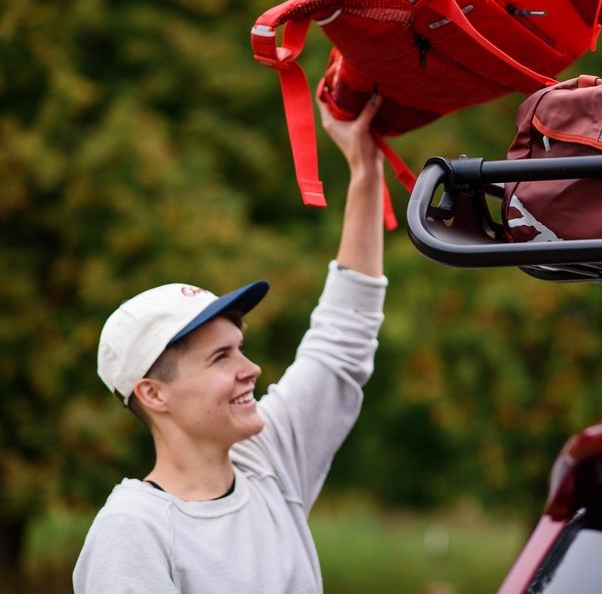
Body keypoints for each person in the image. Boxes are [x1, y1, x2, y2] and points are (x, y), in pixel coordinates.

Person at [73, 94, 387, 594]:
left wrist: (365, 168)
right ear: (154, 393)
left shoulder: (266, 460)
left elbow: (341, 340)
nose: (253, 368)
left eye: (239, 346)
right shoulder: (133, 533)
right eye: (221, 357)